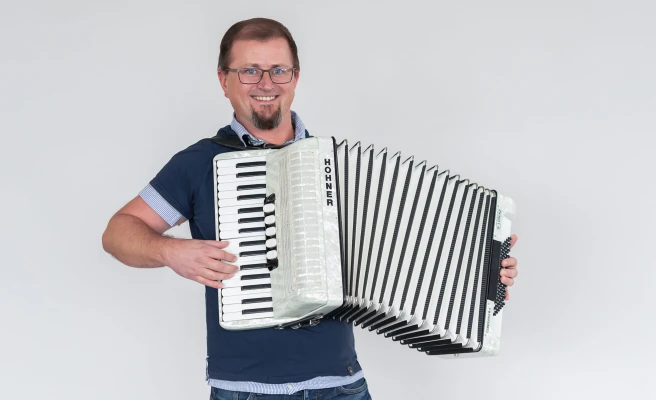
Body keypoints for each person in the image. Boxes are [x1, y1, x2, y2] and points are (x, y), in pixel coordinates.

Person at [101, 17, 520, 400]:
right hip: (245, 390)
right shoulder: (197, 163)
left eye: (278, 70)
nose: (265, 82)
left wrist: (482, 270)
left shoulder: (337, 167)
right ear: (223, 80)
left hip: (341, 385)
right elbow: (118, 232)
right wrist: (169, 251)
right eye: (249, 70)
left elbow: (404, 244)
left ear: (295, 78)